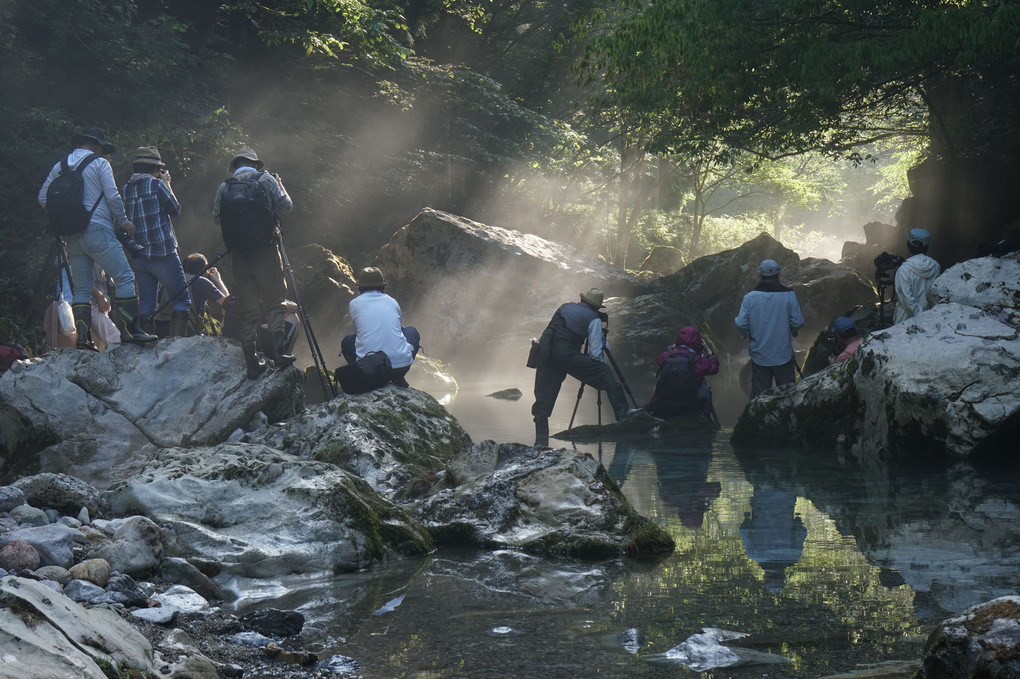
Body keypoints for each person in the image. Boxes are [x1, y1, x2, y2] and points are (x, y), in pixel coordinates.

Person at [38, 126, 157, 348]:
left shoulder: (60, 166)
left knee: (81, 288)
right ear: (96, 145)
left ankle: (83, 339)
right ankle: (131, 331)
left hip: (72, 235)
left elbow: (43, 197)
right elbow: (112, 196)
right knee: (125, 277)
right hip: (98, 230)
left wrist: (64, 219)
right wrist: (124, 222)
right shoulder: (100, 163)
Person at [212, 147, 294, 379]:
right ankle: (278, 354)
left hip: (239, 256)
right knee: (275, 301)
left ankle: (251, 362)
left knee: (247, 308)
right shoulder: (265, 179)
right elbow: (286, 206)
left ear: (235, 166)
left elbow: (215, 218)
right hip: (266, 252)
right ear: (255, 164)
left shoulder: (224, 187)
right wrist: (281, 185)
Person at [531, 287, 641, 446]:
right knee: (604, 371)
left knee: (543, 401)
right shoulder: (593, 319)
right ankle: (623, 412)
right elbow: (595, 353)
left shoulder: (565, 307)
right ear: (597, 307)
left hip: (545, 353)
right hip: (567, 355)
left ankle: (540, 444)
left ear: (582, 300)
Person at [120, 146, 190, 337]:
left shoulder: (126, 189)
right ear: (155, 169)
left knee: (147, 302)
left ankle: (147, 343)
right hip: (163, 253)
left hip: (139, 256)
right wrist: (167, 184)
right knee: (182, 299)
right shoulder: (157, 185)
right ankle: (178, 344)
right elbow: (175, 209)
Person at [338, 266, 420, 391]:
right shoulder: (392, 301)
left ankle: (362, 373)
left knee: (347, 341)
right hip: (400, 366)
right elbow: (398, 329)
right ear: (383, 286)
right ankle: (399, 376)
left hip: (371, 369)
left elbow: (357, 334)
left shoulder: (354, 303)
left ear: (359, 287)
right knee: (411, 331)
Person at [734, 259, 804, 398]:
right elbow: (798, 321)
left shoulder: (749, 298)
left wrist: (746, 334)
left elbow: (741, 323)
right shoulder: (789, 295)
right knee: (787, 396)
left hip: (760, 355)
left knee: (761, 398)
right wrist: (790, 330)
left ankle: (761, 419)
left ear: (759, 276)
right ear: (779, 276)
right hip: (783, 354)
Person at [647, 326, 719, 420]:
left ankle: (653, 411)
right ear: (698, 342)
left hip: (666, 403)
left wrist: (672, 347)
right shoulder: (697, 360)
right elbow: (714, 367)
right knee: (702, 381)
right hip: (689, 404)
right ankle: (702, 414)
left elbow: (659, 359)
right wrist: (708, 350)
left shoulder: (666, 356)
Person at [893, 228, 941, 325]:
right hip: (930, 320)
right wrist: (927, 317)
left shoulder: (903, 270)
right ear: (926, 246)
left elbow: (907, 300)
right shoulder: (935, 266)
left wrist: (921, 316)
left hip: (905, 323)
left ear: (908, 245)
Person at [182, 252, 230, 336]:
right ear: (202, 269)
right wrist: (218, 280)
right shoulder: (202, 282)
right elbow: (228, 303)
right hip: (189, 330)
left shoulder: (174, 280)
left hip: (166, 327)